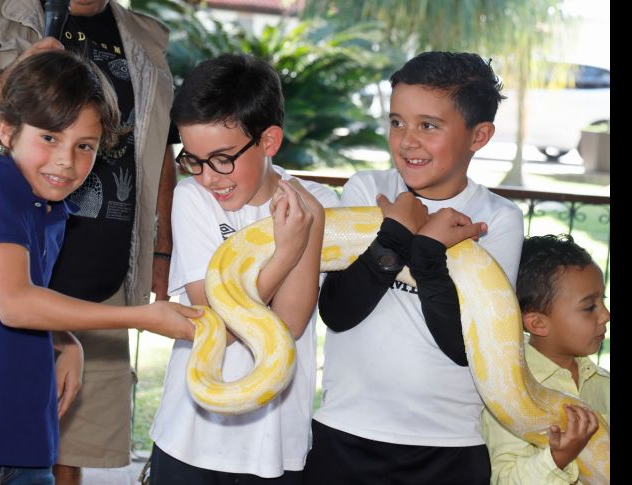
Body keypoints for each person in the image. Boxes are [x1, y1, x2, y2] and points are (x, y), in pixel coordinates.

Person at [0, 50, 199, 485]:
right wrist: (140, 317)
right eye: (50, 138)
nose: (66, 160)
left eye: (84, 146)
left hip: (21, 442)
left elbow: (14, 295)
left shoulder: (50, 207)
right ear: (8, 130)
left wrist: (65, 338)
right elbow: (15, 303)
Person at [303, 51, 525, 485]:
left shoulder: (496, 218)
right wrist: (395, 235)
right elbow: (339, 311)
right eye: (396, 122)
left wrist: (424, 249)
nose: (406, 141)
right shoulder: (368, 190)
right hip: (347, 430)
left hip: (449, 446)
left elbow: (462, 347)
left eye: (428, 125)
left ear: (478, 136)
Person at [147, 53, 340, 484]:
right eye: (192, 160)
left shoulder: (315, 206)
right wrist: (287, 253)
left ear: (269, 141)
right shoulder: (192, 199)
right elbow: (215, 320)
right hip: (190, 436)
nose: (208, 178)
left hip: (273, 443)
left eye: (221, 158)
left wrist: (299, 239)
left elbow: (288, 324)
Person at [481, 234, 610, 484]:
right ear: (538, 323)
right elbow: (504, 479)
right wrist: (558, 458)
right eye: (589, 307)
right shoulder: (509, 394)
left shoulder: (602, 384)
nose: (605, 315)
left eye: (602, 300)